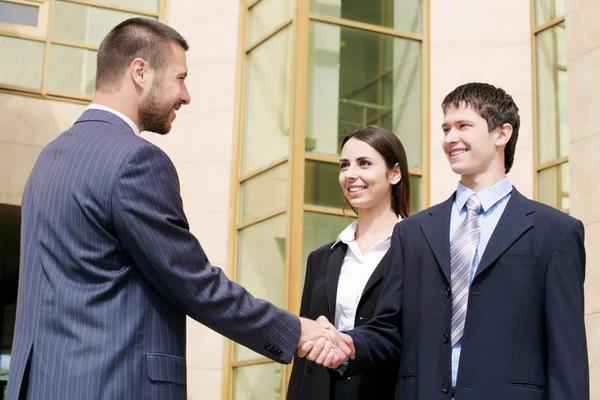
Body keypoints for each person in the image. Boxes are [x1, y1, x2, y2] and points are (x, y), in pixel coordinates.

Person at [6, 18, 352, 400]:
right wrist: (295, 331)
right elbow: (194, 282)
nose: (185, 96)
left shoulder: (48, 159)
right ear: (140, 71)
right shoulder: (136, 161)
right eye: (180, 78)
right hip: (115, 385)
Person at [302, 82, 589, 399]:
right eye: (446, 129)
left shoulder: (555, 232)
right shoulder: (414, 232)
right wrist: (349, 344)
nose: (450, 139)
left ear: (501, 134)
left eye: (463, 126)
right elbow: (390, 329)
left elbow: (567, 357)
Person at [287, 126, 411, 400]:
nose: (350, 174)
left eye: (364, 163)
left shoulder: (419, 252)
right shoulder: (321, 258)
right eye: (344, 165)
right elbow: (303, 359)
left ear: (395, 173)